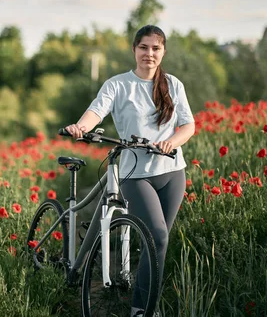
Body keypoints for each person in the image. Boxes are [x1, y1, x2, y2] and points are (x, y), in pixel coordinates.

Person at [64, 25, 196, 317]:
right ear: (134, 49)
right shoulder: (118, 84)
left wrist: (170, 142)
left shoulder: (173, 84)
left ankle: (144, 307)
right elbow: (97, 110)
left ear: (163, 52)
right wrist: (81, 127)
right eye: (144, 47)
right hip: (135, 174)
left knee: (158, 243)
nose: (149, 53)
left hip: (173, 172)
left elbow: (188, 125)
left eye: (156, 48)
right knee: (158, 235)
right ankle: (143, 309)